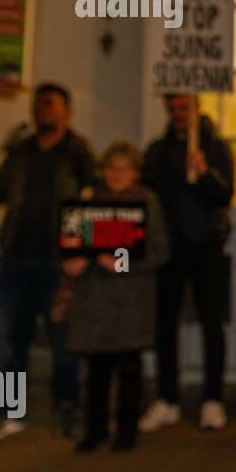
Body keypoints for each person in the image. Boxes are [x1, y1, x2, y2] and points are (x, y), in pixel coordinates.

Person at [0, 82, 96, 441]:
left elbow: (90, 206)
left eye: (49, 104)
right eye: (38, 104)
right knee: (10, 337)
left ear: (65, 112)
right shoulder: (19, 152)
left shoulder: (78, 155)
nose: (42, 110)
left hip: (58, 262)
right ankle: (12, 411)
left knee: (64, 338)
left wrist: (79, 255)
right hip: (16, 258)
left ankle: (68, 405)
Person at [61, 142, 169, 453]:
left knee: (129, 367)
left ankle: (126, 430)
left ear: (135, 172)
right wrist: (71, 262)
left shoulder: (148, 202)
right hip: (93, 298)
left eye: (124, 168)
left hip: (131, 299)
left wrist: (123, 264)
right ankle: (94, 430)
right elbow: (68, 243)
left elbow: (160, 251)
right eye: (111, 168)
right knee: (96, 369)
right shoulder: (87, 200)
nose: (116, 174)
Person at [140, 94, 234, 433]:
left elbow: (225, 194)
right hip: (168, 250)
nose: (178, 114)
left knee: (212, 324)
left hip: (206, 247)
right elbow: (146, 194)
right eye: (173, 108)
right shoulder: (156, 151)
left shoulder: (216, 147)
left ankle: (213, 399)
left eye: (184, 108)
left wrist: (205, 172)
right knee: (165, 327)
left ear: (197, 110)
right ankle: (167, 399)